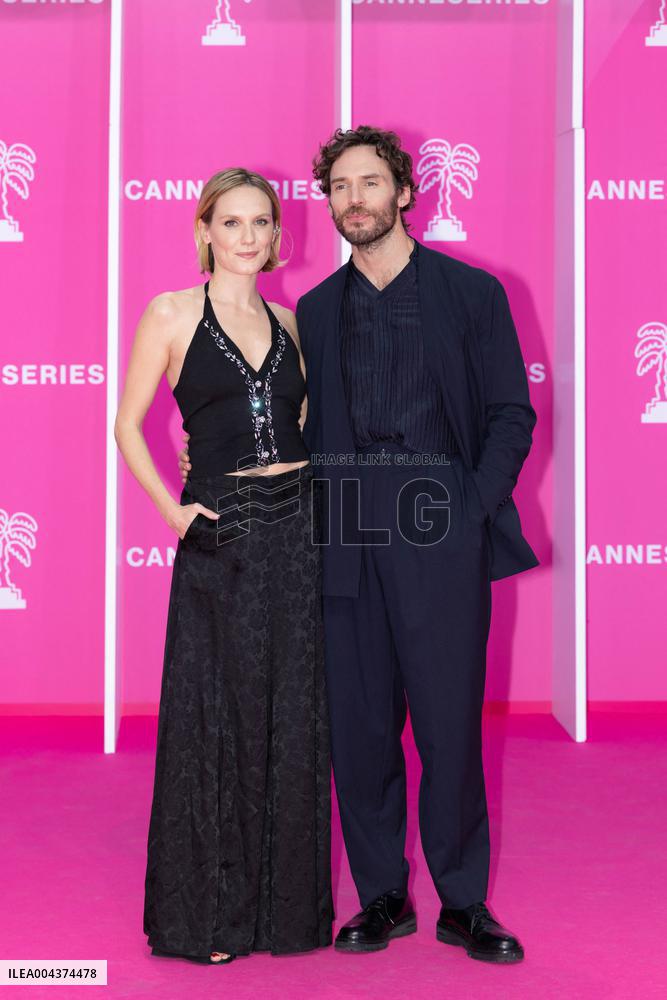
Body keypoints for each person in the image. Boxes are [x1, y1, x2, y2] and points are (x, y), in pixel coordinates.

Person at [181, 126, 537, 964]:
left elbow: (509, 415)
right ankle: (382, 895)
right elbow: (276, 412)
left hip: (436, 516)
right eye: (339, 188)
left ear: (405, 192)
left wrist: (470, 505)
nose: (354, 201)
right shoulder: (316, 309)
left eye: (369, 183)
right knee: (362, 726)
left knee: (448, 723)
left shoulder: (472, 293)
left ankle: (462, 901)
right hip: (339, 521)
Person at [115, 168, 333, 965]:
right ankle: (208, 916)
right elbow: (127, 424)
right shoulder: (169, 313)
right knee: (219, 720)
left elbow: (301, 417)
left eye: (261, 223)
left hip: (297, 528)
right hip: (224, 534)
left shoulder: (290, 319)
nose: (247, 236)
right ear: (204, 229)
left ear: (277, 235)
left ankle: (287, 915)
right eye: (232, 222)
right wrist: (170, 509)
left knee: (293, 712)